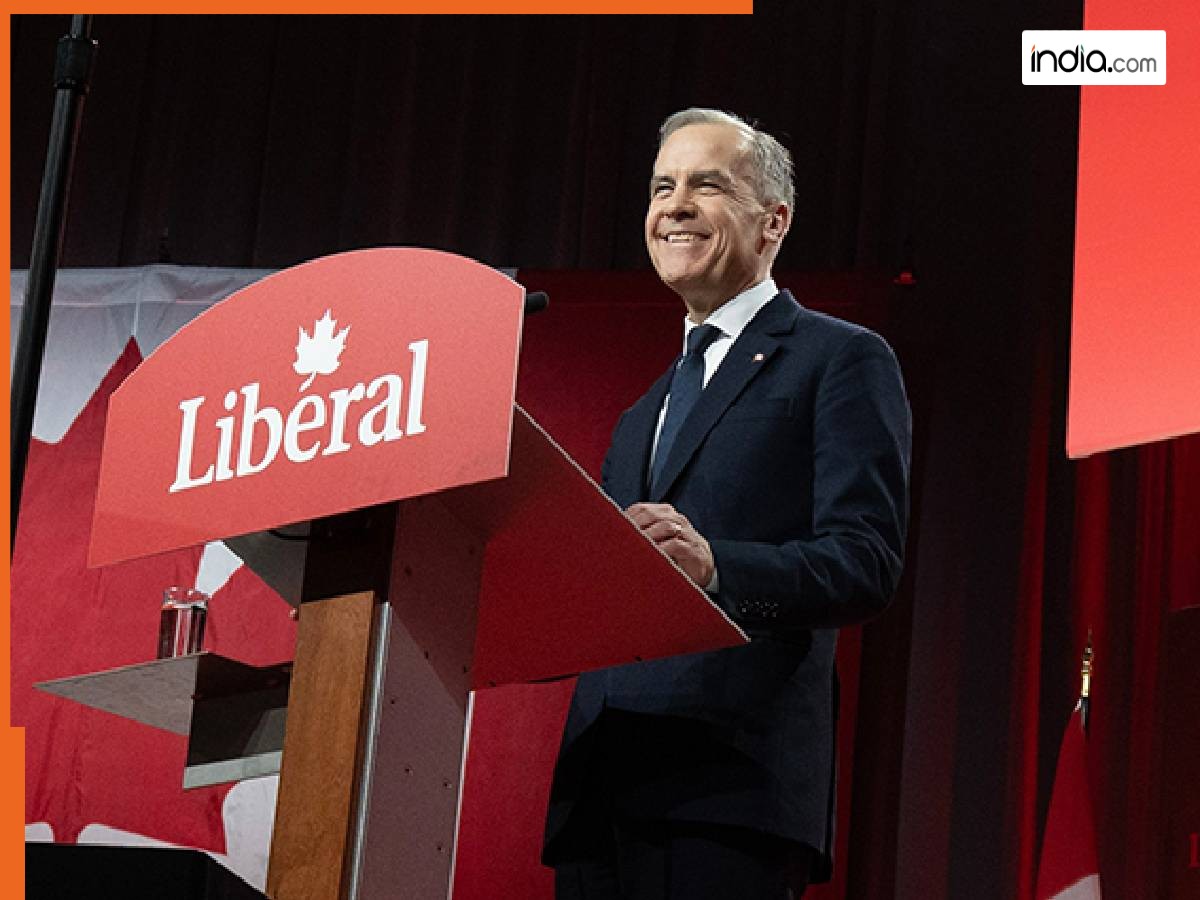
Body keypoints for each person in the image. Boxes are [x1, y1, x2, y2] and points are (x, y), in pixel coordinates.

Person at [542, 108, 912, 900]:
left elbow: (865, 561)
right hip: (602, 792)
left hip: (726, 789)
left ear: (773, 220)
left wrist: (715, 566)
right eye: (662, 186)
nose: (673, 206)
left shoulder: (840, 358)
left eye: (705, 185)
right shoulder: (644, 411)